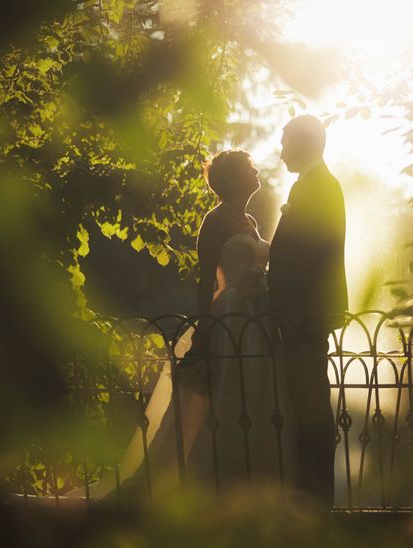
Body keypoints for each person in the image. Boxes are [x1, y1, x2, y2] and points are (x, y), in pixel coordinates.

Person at [66, 150, 299, 505]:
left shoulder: (250, 221)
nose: (256, 172)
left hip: (257, 317)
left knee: (258, 394)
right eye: (249, 168)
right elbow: (206, 281)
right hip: (231, 316)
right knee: (224, 397)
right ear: (233, 178)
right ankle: (208, 485)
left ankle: (254, 482)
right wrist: (204, 331)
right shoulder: (215, 220)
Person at [268, 115, 348, 508]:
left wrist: (299, 313)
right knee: (305, 401)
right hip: (301, 314)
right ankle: (310, 494)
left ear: (307, 143)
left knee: (310, 403)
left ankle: (316, 499)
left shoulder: (319, 187)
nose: (281, 152)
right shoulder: (312, 185)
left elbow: (317, 255)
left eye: (286, 143)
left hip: (304, 316)